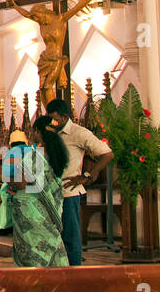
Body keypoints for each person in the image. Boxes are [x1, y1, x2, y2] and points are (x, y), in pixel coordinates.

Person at [1, 128, 69, 292]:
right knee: (53, 246)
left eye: (35, 130)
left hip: (31, 210)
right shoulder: (56, 156)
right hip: (50, 209)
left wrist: (10, 183)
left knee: (33, 248)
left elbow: (20, 181)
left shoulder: (35, 156)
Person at [40, 100, 112, 267]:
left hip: (68, 193)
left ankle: (74, 274)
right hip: (50, 193)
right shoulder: (51, 132)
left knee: (71, 237)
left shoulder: (79, 133)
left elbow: (107, 154)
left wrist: (87, 176)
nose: (52, 122)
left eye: (55, 119)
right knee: (52, 238)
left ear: (65, 117)